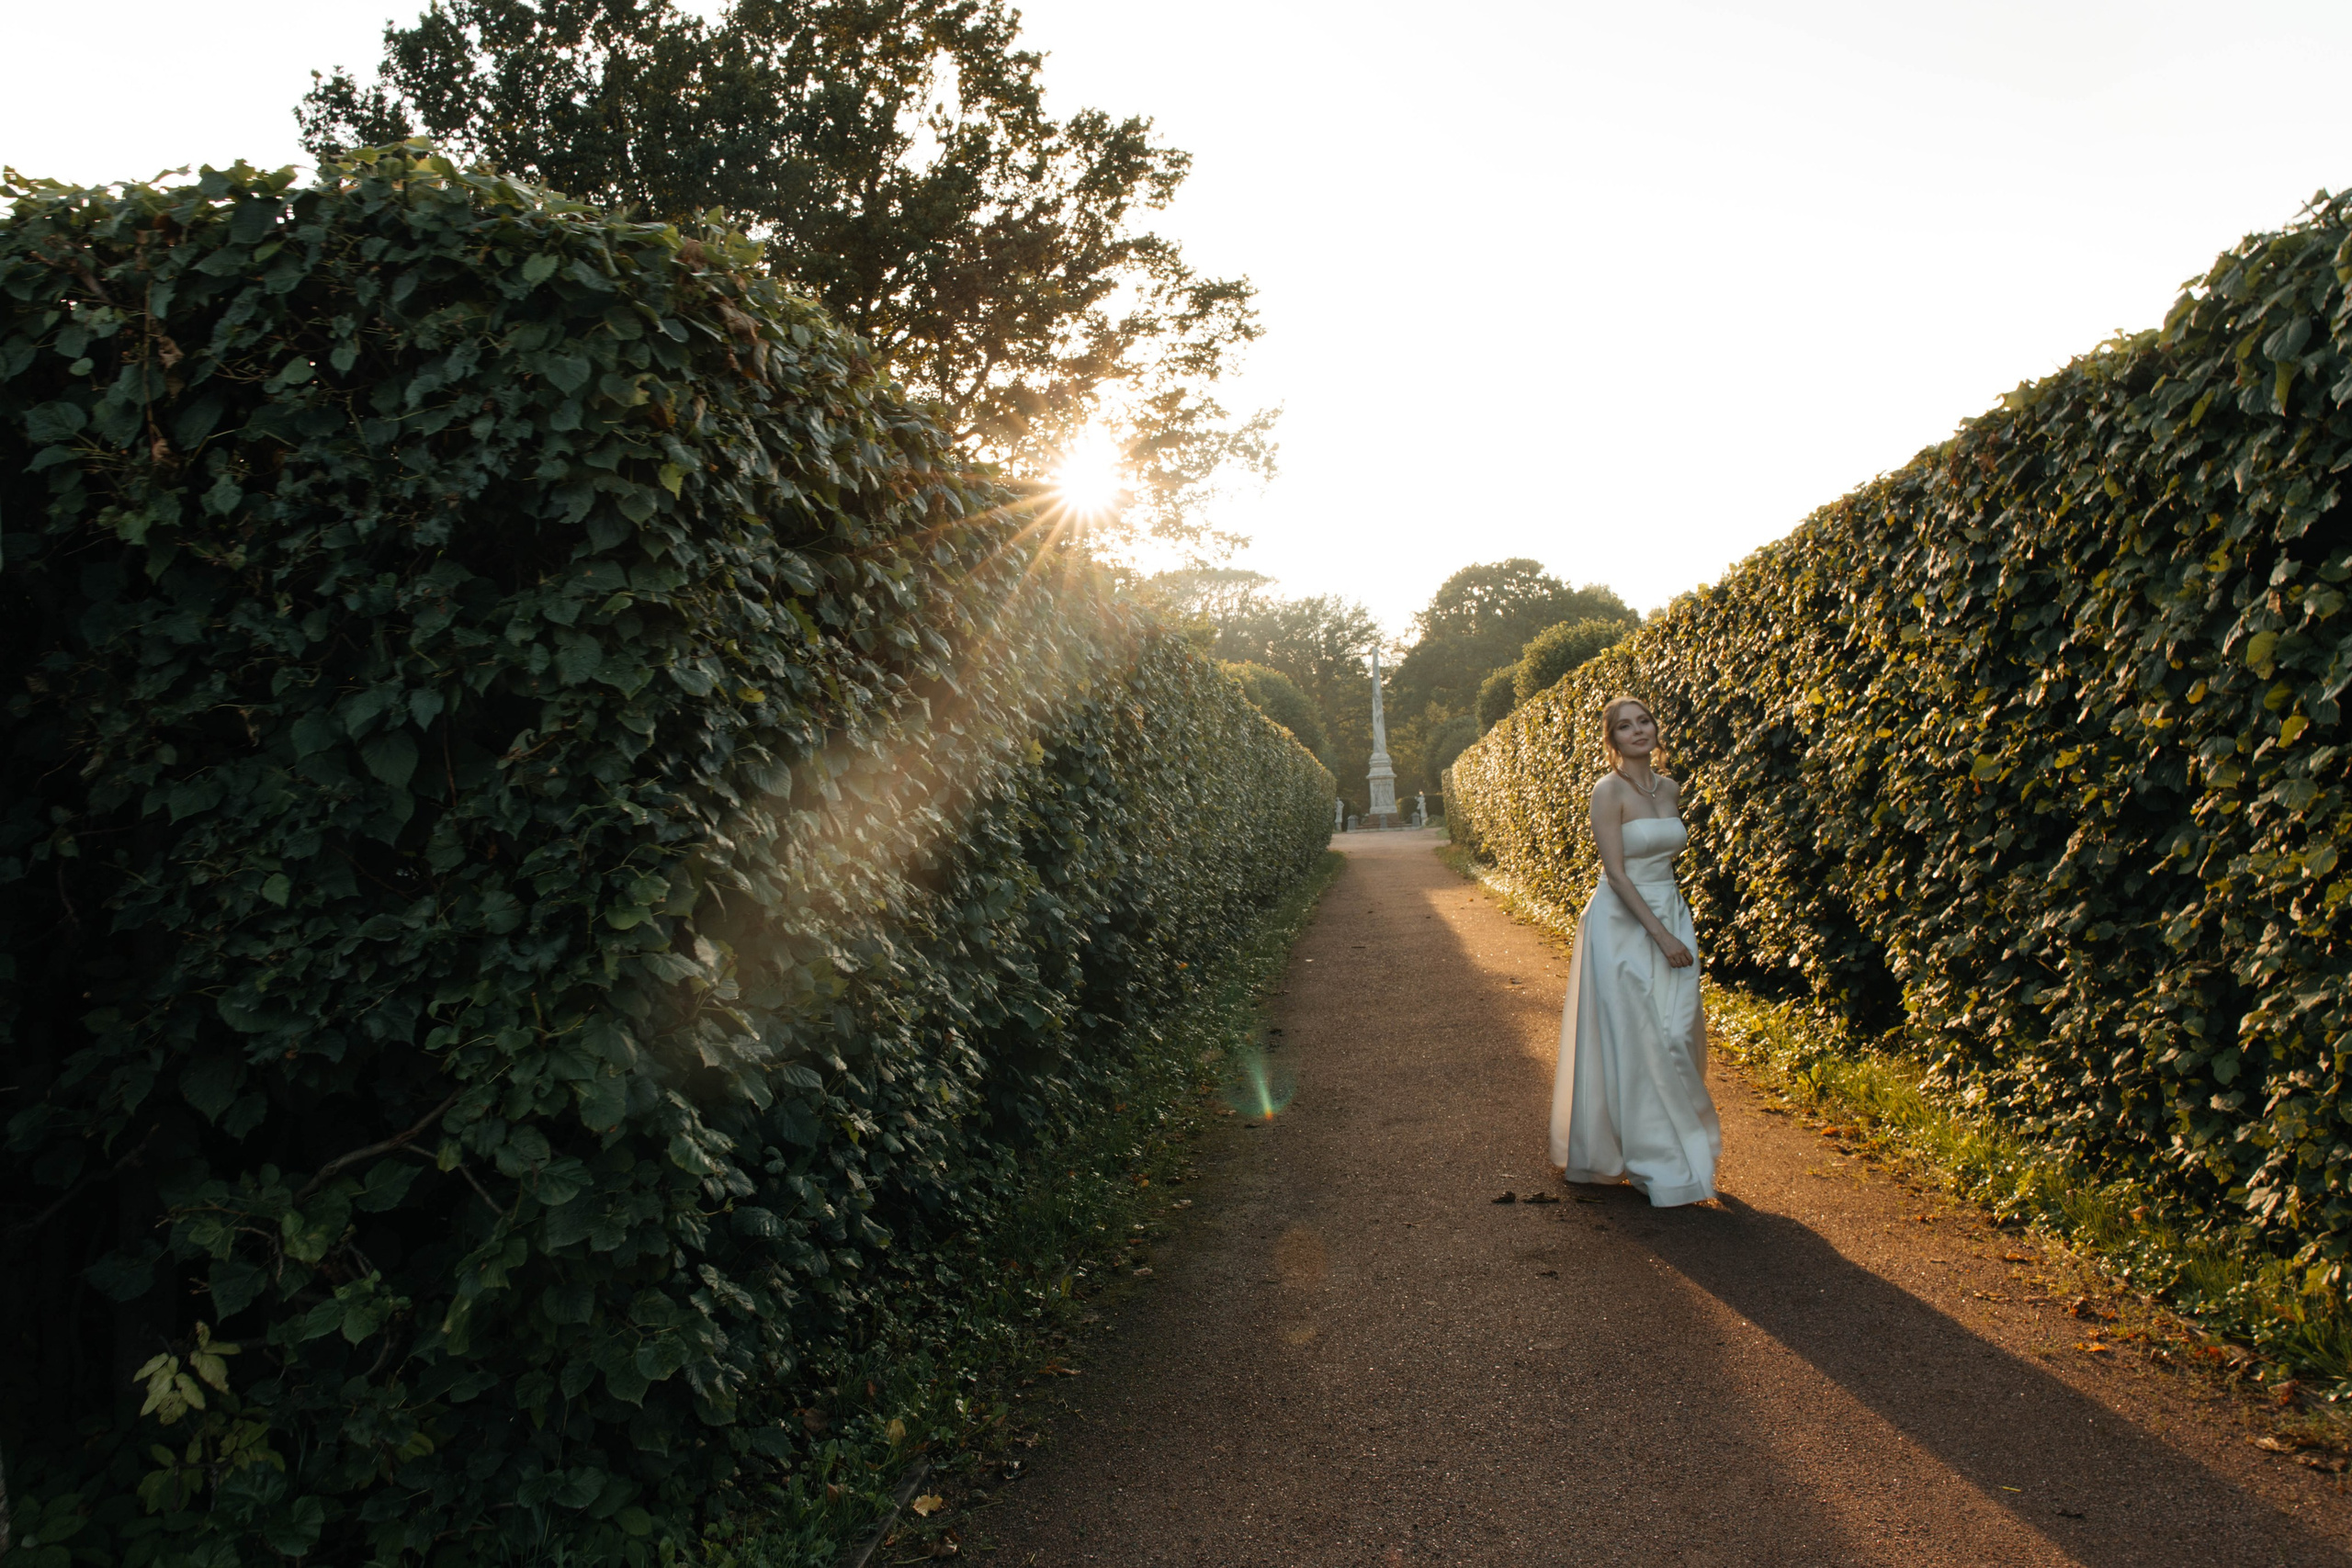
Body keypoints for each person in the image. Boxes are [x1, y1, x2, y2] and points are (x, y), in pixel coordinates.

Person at [1550, 694, 1721, 1206]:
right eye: (1625, 727)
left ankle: (1678, 1147)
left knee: (1678, 1030)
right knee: (1641, 1036)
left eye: (1644, 721)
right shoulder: (1608, 791)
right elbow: (1618, 874)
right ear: (1613, 740)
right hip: (1622, 924)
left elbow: (1665, 857)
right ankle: (1654, 1159)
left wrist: (1674, 927)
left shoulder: (1669, 787)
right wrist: (1661, 937)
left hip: (1670, 910)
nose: (1638, 731)